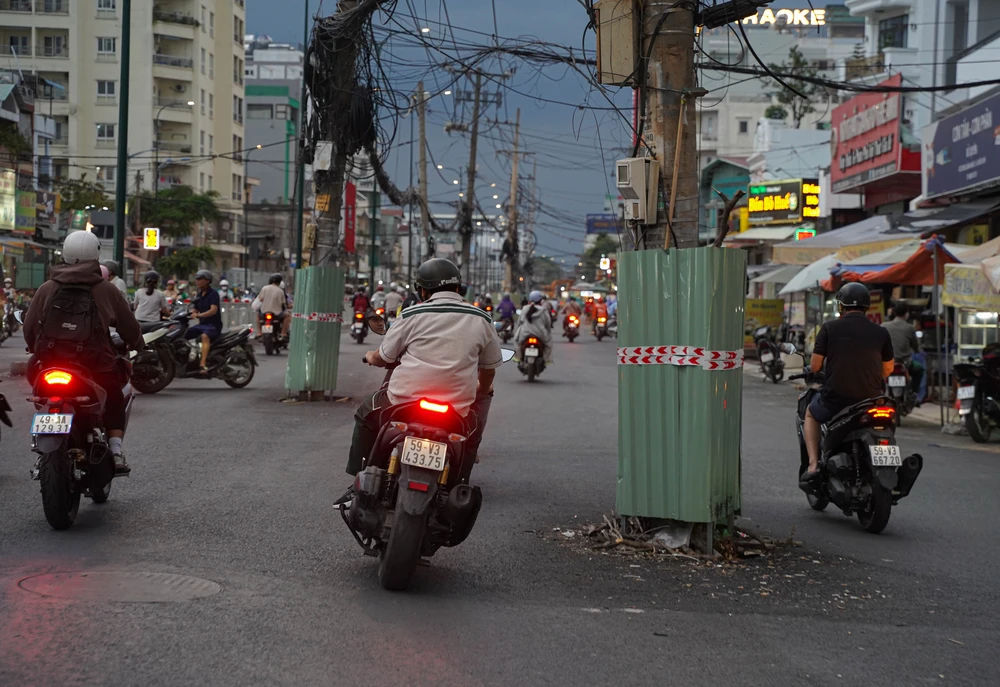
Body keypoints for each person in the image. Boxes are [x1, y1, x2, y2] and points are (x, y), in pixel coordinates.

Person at [335, 258, 502, 504]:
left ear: (422, 291)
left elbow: (384, 356)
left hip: (404, 400)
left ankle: (358, 482)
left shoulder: (412, 313)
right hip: (456, 408)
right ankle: (459, 488)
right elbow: (489, 369)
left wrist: (371, 356)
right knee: (472, 434)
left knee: (364, 415)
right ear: (458, 288)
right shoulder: (482, 319)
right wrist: (482, 389)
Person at [24, 231, 143, 473]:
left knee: (40, 393)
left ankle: (42, 441)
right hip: (95, 364)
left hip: (51, 361)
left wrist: (34, 347)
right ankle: (117, 450)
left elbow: (30, 326)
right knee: (114, 397)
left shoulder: (48, 287)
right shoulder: (107, 290)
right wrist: (138, 344)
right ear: (96, 255)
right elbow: (129, 326)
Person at [801, 283, 894, 486]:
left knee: (810, 413)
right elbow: (887, 370)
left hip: (837, 398)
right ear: (866, 306)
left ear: (841, 306)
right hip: (871, 401)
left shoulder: (829, 328)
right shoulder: (881, 332)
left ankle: (813, 464)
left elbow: (815, 365)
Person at [883, 302, 924, 401]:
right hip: (905, 363)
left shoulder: (884, 326)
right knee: (920, 369)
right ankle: (914, 393)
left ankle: (880, 393)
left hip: (887, 363)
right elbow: (916, 347)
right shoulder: (909, 328)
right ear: (906, 314)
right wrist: (917, 349)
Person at [187, 270, 223, 375]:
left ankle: (203, 364)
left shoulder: (213, 294)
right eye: (196, 279)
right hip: (202, 325)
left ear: (207, 281)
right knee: (184, 334)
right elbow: (194, 309)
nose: (197, 281)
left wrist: (199, 315)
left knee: (204, 336)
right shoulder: (198, 295)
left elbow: (213, 310)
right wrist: (189, 314)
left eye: (200, 279)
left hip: (213, 326)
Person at [514, 290, 553, 362]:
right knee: (548, 343)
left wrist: (519, 327)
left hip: (524, 333)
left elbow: (519, 322)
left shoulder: (525, 308)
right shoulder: (543, 310)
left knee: (516, 341)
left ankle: (518, 357)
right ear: (540, 301)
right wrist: (548, 331)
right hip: (540, 333)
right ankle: (546, 359)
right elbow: (548, 323)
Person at [253, 273, 291, 340]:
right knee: (288, 316)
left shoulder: (264, 288)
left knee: (257, 315)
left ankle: (259, 332)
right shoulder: (280, 291)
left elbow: (260, 299)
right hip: (277, 314)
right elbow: (283, 303)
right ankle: (283, 334)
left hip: (264, 313)